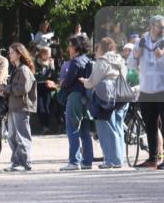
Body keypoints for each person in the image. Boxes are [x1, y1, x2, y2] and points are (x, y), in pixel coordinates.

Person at [82, 37, 127, 169]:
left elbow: (93, 81)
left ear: (102, 48)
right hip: (120, 96)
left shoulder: (102, 60)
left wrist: (85, 82)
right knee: (118, 128)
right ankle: (119, 159)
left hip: (105, 96)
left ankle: (110, 160)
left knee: (105, 127)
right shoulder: (121, 60)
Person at [128, 15, 164, 169]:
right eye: (160, 26)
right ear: (151, 27)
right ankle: (152, 159)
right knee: (150, 126)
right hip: (146, 90)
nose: (162, 29)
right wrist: (136, 54)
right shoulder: (141, 42)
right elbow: (130, 63)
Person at [0, 43, 37, 172]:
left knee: (22, 136)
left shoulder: (24, 70)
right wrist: (4, 88)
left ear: (19, 54)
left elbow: (22, 89)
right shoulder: (15, 69)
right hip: (13, 107)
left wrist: (6, 88)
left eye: (12, 53)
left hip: (21, 107)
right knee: (11, 136)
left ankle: (25, 162)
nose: (9, 55)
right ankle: (16, 162)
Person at [60, 34, 94, 171]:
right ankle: (87, 161)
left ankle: (74, 161)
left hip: (74, 97)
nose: (69, 48)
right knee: (85, 130)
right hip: (86, 97)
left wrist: (61, 84)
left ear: (76, 47)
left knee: (72, 129)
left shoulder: (75, 62)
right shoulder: (88, 60)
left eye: (70, 45)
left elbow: (67, 81)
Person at [34, 46, 58, 134]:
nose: (50, 55)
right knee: (40, 107)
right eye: (48, 54)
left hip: (48, 87)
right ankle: (43, 126)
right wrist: (45, 78)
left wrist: (52, 67)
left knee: (47, 107)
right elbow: (36, 75)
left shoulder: (50, 63)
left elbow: (53, 76)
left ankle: (46, 126)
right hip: (38, 86)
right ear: (42, 54)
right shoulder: (36, 63)